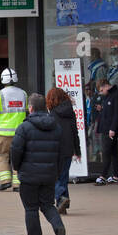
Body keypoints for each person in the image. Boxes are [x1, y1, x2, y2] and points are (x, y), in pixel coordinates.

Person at [10, 93, 68, 235]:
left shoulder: (24, 127)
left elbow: (16, 151)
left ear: (31, 108)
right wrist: (56, 172)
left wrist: (17, 167)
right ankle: (58, 226)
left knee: (31, 209)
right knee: (48, 205)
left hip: (29, 176)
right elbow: (62, 152)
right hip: (49, 175)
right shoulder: (56, 127)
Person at [47, 86, 81, 214]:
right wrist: (77, 150)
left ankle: (61, 199)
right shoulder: (70, 111)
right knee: (63, 176)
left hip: (55, 148)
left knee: (55, 178)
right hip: (68, 148)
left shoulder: (52, 114)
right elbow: (74, 131)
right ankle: (63, 206)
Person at [0, 67, 27, 191]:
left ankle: (5, 181)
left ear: (3, 80)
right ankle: (17, 184)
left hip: (3, 133)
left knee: (1, 156)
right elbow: (27, 111)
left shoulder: (0, 94)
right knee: (19, 158)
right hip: (20, 133)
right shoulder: (23, 93)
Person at [93, 79, 118, 184]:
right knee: (113, 152)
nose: (101, 93)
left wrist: (113, 128)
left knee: (106, 152)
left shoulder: (114, 95)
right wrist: (102, 109)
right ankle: (116, 175)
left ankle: (103, 175)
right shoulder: (108, 96)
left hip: (109, 129)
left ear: (106, 86)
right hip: (106, 128)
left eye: (101, 90)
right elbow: (110, 111)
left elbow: (116, 113)